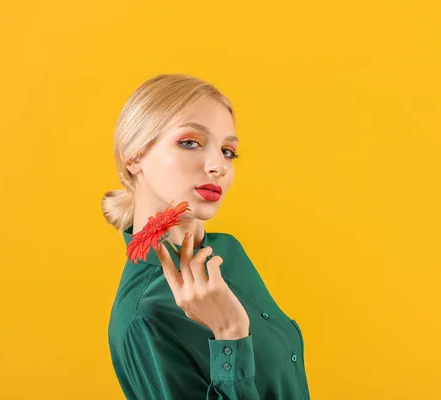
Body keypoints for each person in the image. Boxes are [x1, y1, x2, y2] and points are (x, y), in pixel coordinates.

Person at [102, 74, 310, 399]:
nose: (218, 166)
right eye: (190, 142)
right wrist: (230, 335)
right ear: (134, 156)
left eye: (228, 151)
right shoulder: (144, 319)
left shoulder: (228, 251)